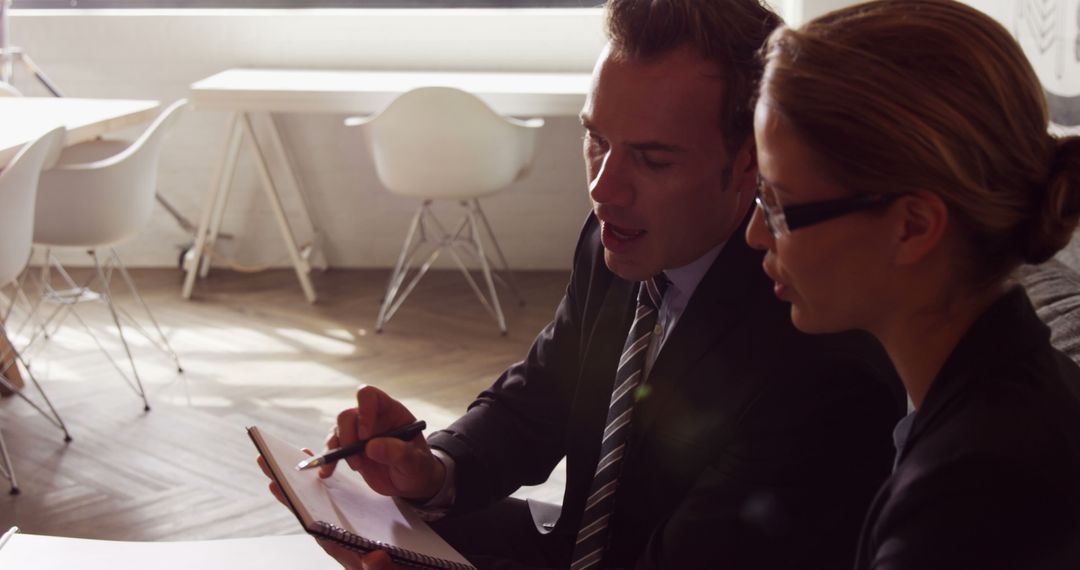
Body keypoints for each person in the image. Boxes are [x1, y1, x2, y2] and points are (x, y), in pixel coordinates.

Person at [262, 1, 904, 568]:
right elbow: (545, 390)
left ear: (749, 163)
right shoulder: (617, 240)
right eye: (596, 140)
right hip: (585, 543)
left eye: (653, 159)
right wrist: (430, 469)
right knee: (395, 523)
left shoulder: (818, 351)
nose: (604, 189)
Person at [745, 1, 1080, 568]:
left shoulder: (969, 501)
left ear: (913, 226)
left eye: (780, 206)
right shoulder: (992, 391)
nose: (757, 233)